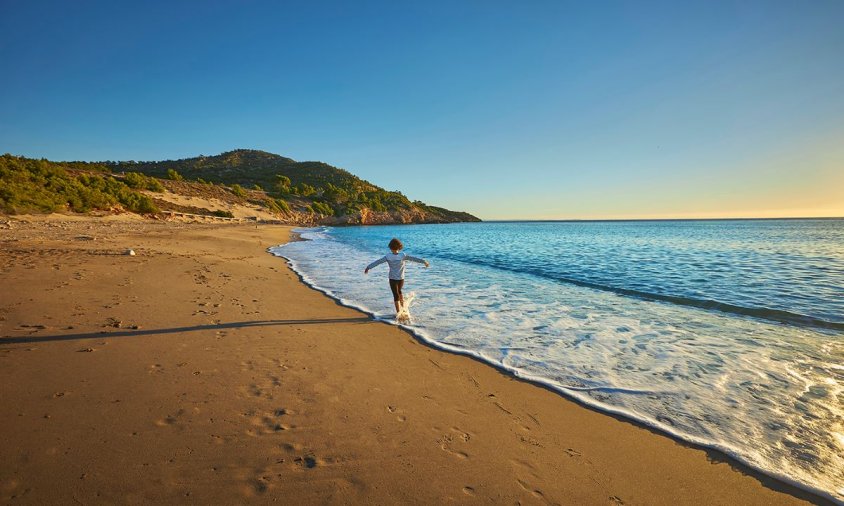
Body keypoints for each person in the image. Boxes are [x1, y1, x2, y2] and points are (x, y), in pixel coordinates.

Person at [364, 238, 429, 317]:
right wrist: (424, 261)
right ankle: (401, 311)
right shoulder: (402, 255)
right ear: (399, 247)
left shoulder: (390, 256)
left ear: (390, 247)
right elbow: (413, 259)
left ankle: (400, 311)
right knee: (398, 293)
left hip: (394, 279)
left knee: (397, 294)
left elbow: (378, 262)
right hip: (400, 278)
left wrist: (368, 267)